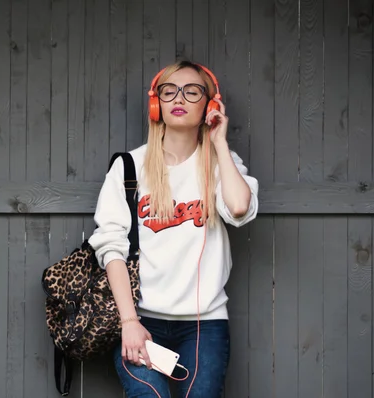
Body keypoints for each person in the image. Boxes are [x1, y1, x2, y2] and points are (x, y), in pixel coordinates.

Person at [88, 60, 259, 398]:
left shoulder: (220, 164)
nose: (179, 97)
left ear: (209, 105)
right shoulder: (129, 167)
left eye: (192, 91)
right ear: (157, 104)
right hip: (140, 320)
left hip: (204, 325)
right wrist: (128, 323)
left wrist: (220, 143)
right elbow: (111, 249)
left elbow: (239, 208)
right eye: (169, 90)